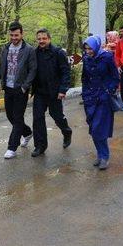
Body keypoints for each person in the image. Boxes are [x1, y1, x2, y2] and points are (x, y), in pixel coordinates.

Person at [0, 22, 37, 159]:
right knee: (10, 116)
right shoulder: (5, 48)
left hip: (20, 89)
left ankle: (12, 147)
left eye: (16, 35)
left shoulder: (29, 49)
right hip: (8, 88)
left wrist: (25, 86)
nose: (14, 38)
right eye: (11, 35)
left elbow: (33, 70)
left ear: (22, 34)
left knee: (17, 118)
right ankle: (28, 132)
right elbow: (1, 67)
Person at [31, 29, 72, 157]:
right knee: (37, 119)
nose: (41, 41)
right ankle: (40, 146)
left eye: (44, 38)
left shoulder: (58, 53)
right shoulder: (34, 53)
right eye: (39, 39)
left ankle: (66, 131)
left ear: (49, 39)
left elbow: (66, 72)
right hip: (39, 92)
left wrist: (62, 90)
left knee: (57, 117)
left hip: (54, 92)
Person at [81, 35, 120, 170]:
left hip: (103, 98)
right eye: (86, 48)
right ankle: (99, 154)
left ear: (96, 46)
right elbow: (84, 79)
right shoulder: (86, 59)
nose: (88, 51)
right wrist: (85, 94)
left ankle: (104, 156)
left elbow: (115, 77)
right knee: (93, 127)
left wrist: (109, 91)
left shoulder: (107, 57)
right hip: (90, 98)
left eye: (90, 48)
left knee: (99, 128)